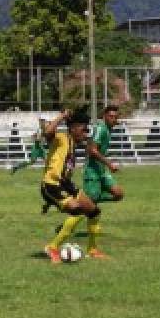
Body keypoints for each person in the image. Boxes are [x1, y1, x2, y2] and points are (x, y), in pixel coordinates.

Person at [39, 108, 105, 262]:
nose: (86, 132)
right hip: (52, 184)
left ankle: (92, 249)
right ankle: (53, 247)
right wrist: (62, 116)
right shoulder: (61, 138)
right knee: (78, 210)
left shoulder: (73, 143)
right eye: (83, 129)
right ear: (73, 128)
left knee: (94, 211)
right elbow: (47, 132)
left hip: (66, 184)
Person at [84, 105, 125, 207]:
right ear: (104, 116)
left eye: (115, 117)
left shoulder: (107, 128)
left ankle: (90, 199)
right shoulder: (101, 128)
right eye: (111, 116)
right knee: (90, 205)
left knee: (118, 194)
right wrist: (110, 164)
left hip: (101, 170)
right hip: (92, 170)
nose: (113, 119)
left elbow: (90, 144)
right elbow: (93, 150)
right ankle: (85, 199)